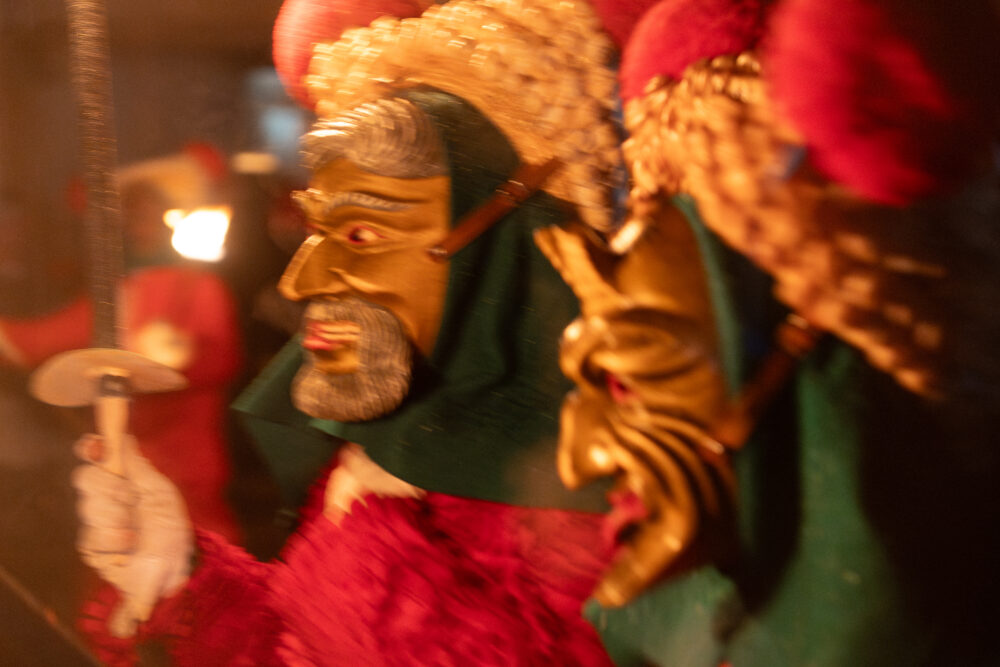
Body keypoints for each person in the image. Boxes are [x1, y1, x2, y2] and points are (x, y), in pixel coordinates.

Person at [72, 0, 629, 663]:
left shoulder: (610, 497)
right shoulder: (381, 450)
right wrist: (179, 576)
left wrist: (370, 547)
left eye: (362, 234)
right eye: (318, 231)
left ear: (500, 250)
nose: (301, 282)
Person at [2, 146, 245, 544]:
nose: (139, 220)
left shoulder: (204, 288)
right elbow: (36, 341)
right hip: (125, 465)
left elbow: (221, 358)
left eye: (149, 208)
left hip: (189, 465)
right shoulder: (118, 292)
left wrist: (180, 357)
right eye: (131, 210)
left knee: (196, 552)